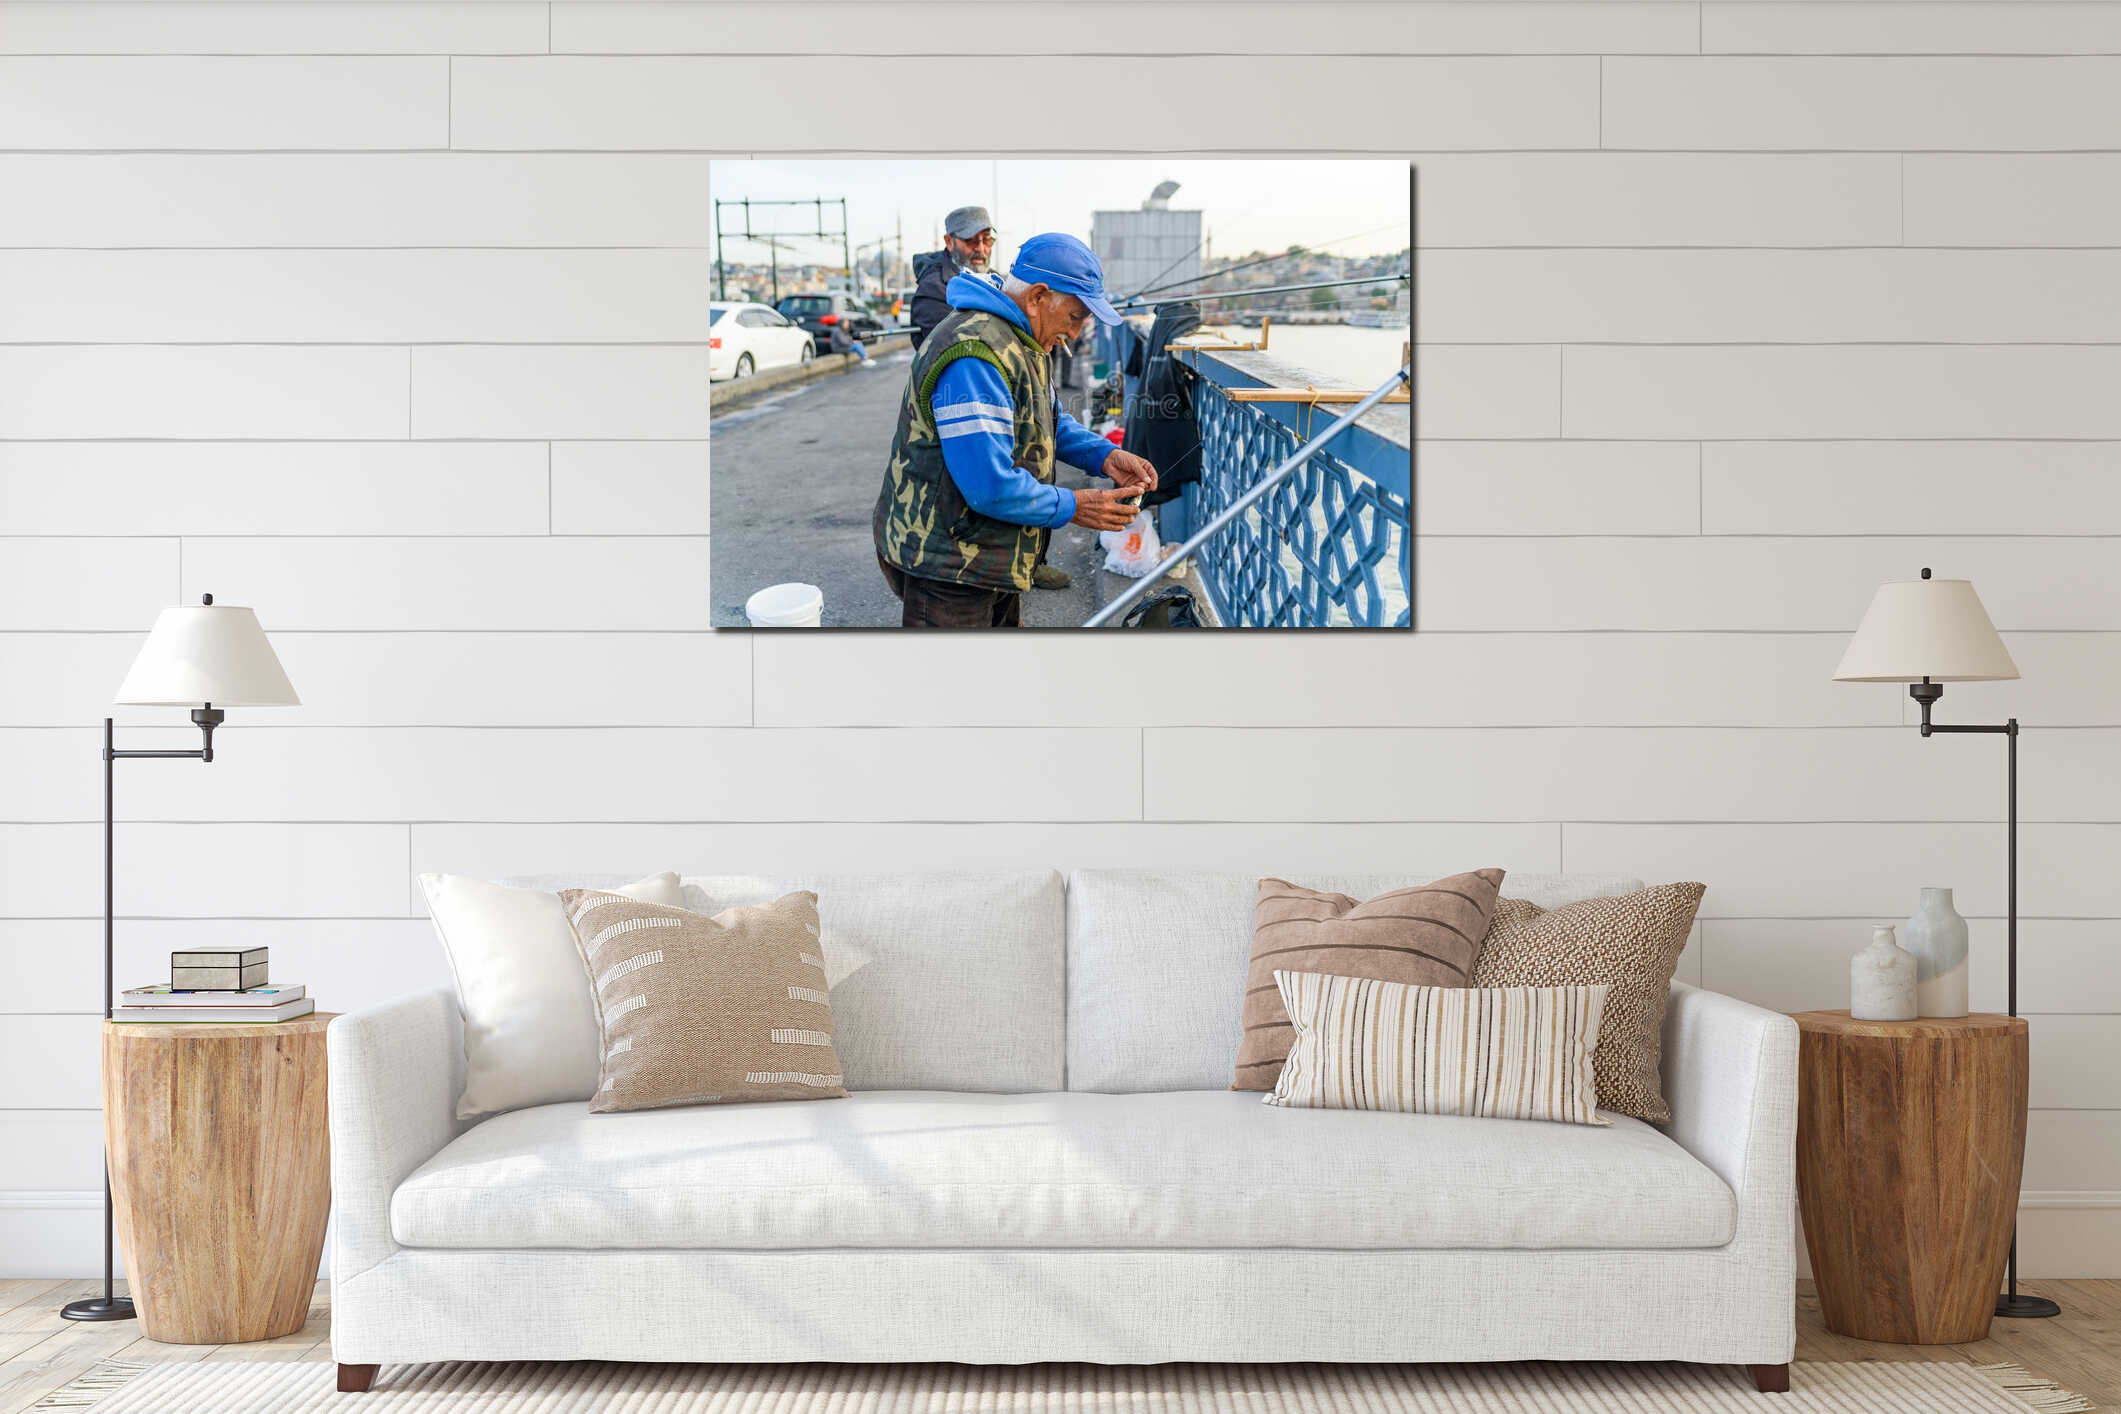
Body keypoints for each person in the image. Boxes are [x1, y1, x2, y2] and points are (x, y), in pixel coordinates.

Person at [874, 233, 1157, 629]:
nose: (1077, 333)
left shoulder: (1021, 336)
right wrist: (1074, 505)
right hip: (949, 565)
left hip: (990, 554)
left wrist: (1105, 455)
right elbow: (989, 486)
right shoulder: (974, 356)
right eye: (1075, 317)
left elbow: (1047, 419)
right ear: (1038, 296)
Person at [908, 206, 998, 352]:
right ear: (949, 242)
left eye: (987, 240)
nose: (981, 248)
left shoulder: (995, 280)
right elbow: (955, 348)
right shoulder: (933, 289)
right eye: (971, 240)